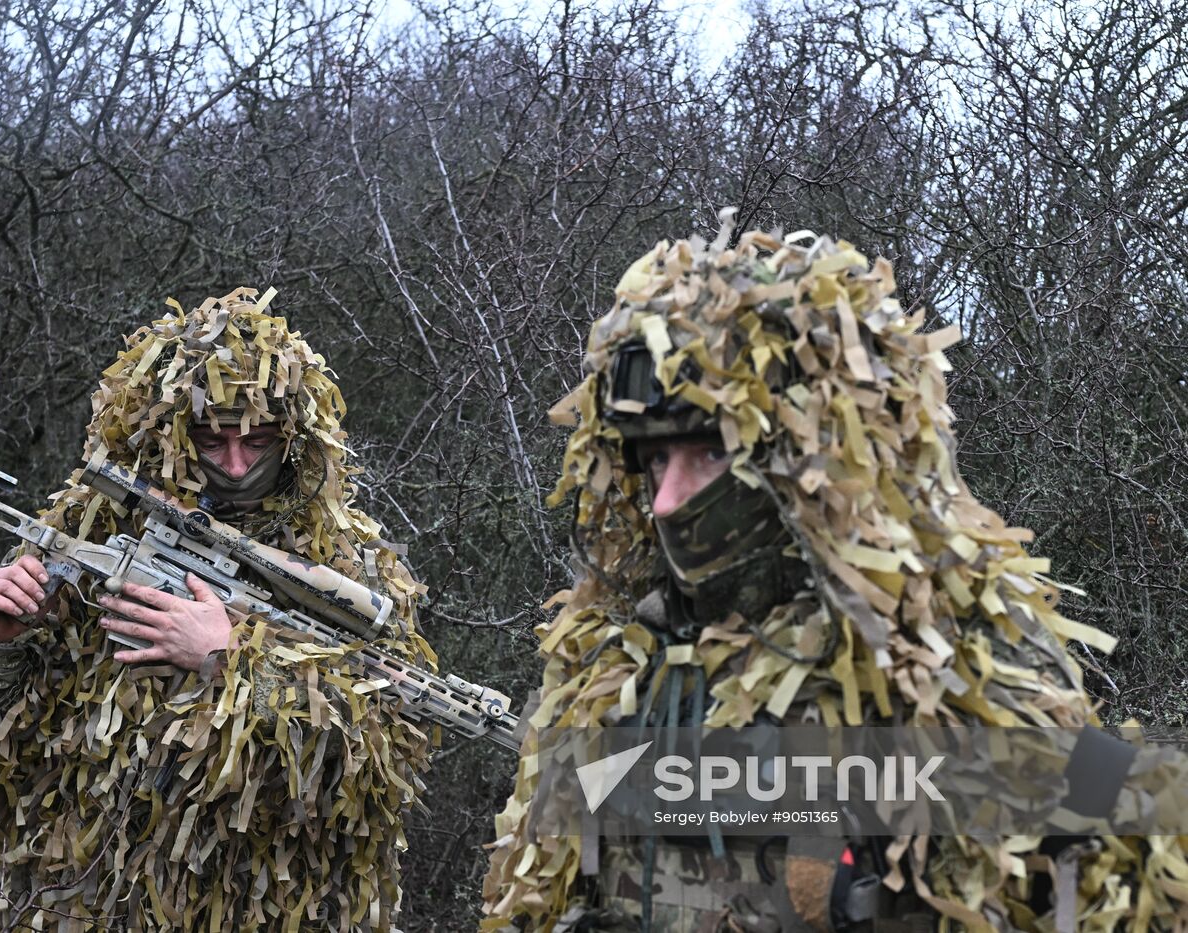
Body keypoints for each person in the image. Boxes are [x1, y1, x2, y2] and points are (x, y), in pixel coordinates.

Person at [481, 221, 1188, 931]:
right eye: (656, 462)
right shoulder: (617, 661)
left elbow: (1134, 863)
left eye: (708, 456)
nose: (668, 501)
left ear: (813, 463)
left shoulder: (950, 661)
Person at [0, 288, 433, 931]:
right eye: (210, 438)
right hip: (84, 905)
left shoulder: (354, 574)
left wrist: (226, 665)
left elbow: (377, 775)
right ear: (170, 434)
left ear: (294, 442)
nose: (233, 466)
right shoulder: (90, 524)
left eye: (256, 442)